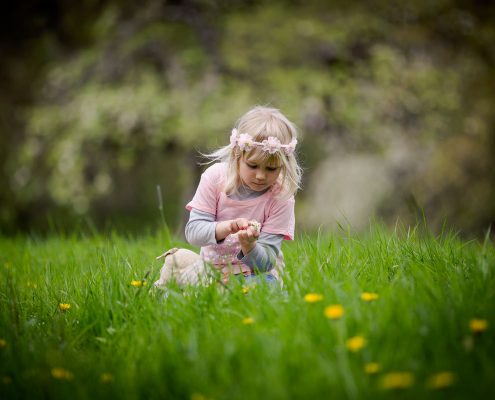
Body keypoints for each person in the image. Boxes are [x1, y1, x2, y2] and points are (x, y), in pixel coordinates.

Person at [183, 106, 302, 286]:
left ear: (283, 166)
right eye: (252, 166)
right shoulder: (215, 178)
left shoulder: (281, 197)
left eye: (271, 168)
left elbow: (267, 262)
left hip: (257, 271)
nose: (261, 176)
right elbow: (194, 233)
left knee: (263, 289)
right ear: (237, 155)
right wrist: (227, 227)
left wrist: (249, 246)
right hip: (211, 268)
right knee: (179, 292)